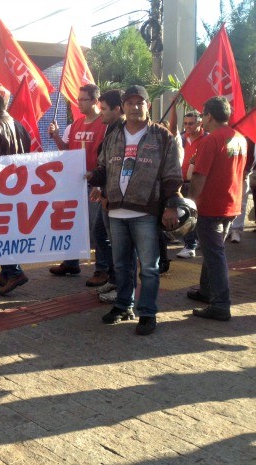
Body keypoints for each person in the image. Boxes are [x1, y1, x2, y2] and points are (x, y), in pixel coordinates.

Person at [86, 85, 182, 336]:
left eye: (140, 103)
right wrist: (94, 179)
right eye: (130, 103)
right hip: (116, 212)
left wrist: (171, 205)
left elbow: (172, 176)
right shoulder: (113, 135)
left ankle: (148, 313)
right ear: (124, 107)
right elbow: (103, 168)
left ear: (148, 106)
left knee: (149, 266)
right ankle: (123, 306)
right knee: (121, 265)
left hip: (146, 213)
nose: (135, 107)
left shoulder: (162, 136)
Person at [188, 96, 247, 322]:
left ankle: (221, 303)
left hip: (211, 205)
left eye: (202, 115)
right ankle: (206, 291)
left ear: (209, 116)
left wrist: (191, 204)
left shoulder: (211, 140)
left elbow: (199, 176)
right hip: (231, 203)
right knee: (212, 251)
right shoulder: (239, 138)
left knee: (214, 255)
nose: (202, 119)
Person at [48, 84, 108, 286]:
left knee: (97, 228)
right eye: (79, 99)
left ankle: (102, 269)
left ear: (95, 101)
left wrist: (100, 185)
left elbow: (106, 157)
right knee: (73, 224)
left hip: (95, 185)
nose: (79, 102)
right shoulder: (76, 124)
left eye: (83, 99)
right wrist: (56, 135)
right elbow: (68, 151)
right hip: (75, 183)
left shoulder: (105, 125)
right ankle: (71, 262)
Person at [0, 92, 32, 296]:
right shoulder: (18, 124)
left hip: (1, 186)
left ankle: (13, 271)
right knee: (9, 227)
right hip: (17, 184)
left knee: (1, 228)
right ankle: (5, 271)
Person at [93, 89, 125, 304]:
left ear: (117, 109)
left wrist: (107, 193)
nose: (100, 113)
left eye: (104, 109)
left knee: (119, 245)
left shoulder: (122, 132)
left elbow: (118, 167)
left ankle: (121, 287)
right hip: (106, 193)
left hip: (115, 198)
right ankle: (113, 278)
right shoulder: (111, 129)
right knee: (100, 234)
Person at [176, 110, 207, 258]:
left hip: (198, 182)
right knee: (186, 213)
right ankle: (190, 243)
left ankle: (190, 246)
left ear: (200, 123)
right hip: (181, 182)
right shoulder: (181, 138)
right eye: (186, 123)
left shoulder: (207, 139)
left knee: (194, 214)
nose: (187, 126)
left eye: (191, 123)